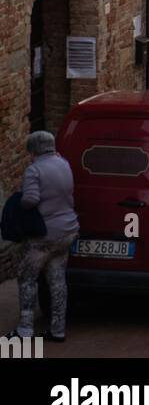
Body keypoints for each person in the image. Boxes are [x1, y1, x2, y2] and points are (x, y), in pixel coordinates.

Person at [13, 131, 79, 343]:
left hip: (44, 235)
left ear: (34, 150)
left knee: (26, 276)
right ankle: (57, 329)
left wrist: (19, 201)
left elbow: (31, 199)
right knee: (57, 279)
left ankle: (25, 329)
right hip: (68, 230)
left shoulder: (35, 170)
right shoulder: (64, 164)